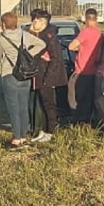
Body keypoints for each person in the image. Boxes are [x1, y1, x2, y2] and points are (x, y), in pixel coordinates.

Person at [0, 12, 45, 149]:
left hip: (9, 74)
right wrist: (28, 55)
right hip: (25, 75)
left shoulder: (2, 38)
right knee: (23, 106)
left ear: (3, 24)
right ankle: (23, 136)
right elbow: (41, 44)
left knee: (13, 108)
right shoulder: (24, 35)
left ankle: (16, 138)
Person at [28, 9, 67, 143]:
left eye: (35, 20)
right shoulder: (38, 35)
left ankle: (51, 131)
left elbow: (55, 59)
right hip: (39, 75)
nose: (33, 22)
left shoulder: (49, 36)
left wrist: (48, 78)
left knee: (49, 104)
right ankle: (43, 130)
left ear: (43, 22)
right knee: (42, 104)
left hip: (46, 76)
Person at [68, 8, 103, 124]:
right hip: (94, 70)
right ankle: (86, 121)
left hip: (81, 70)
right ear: (96, 19)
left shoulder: (85, 32)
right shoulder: (99, 34)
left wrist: (80, 48)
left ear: (86, 19)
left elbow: (71, 46)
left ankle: (77, 120)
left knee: (74, 97)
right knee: (88, 99)